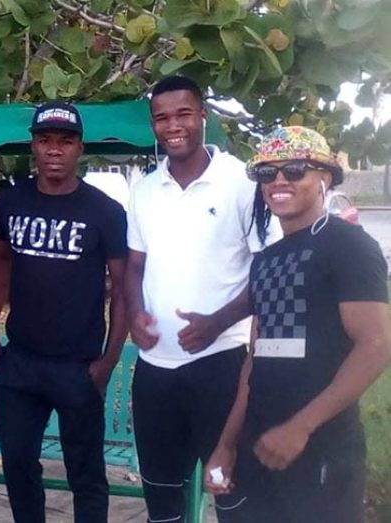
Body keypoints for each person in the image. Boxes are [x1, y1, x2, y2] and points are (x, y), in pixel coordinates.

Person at [204, 126, 391, 522]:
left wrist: (301, 427)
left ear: (324, 177)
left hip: (321, 445)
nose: (279, 182)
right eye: (267, 174)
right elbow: (256, 360)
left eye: (294, 170)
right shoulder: (266, 260)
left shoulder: (349, 246)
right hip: (261, 444)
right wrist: (227, 445)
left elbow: (377, 345)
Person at [124, 75, 280, 522]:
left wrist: (216, 321)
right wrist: (135, 312)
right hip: (155, 370)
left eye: (183, 114)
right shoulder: (145, 189)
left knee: (231, 493)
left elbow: (267, 272)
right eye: (162, 117)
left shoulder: (241, 183)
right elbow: (134, 267)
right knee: (161, 498)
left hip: (221, 367)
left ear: (203, 117)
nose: (173, 125)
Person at [0, 101, 130, 523]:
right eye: (45, 140)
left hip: (78, 366)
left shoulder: (104, 212)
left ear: (79, 148)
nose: (53, 150)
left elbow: (123, 288)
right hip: (20, 363)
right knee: (17, 464)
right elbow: (2, 261)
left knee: (85, 474)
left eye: (64, 142)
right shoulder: (11, 201)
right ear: (33, 145)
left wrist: (109, 359)